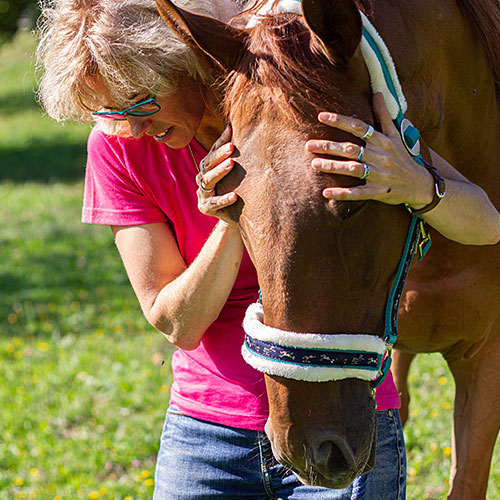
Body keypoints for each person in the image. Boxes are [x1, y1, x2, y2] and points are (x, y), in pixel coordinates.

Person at [36, 0, 500, 499]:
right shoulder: (118, 150)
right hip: (207, 431)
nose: (132, 128)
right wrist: (237, 218)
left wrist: (418, 184)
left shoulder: (298, 104)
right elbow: (175, 321)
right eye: (108, 113)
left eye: (138, 101)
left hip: (340, 408)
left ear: (180, 61)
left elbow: (488, 226)